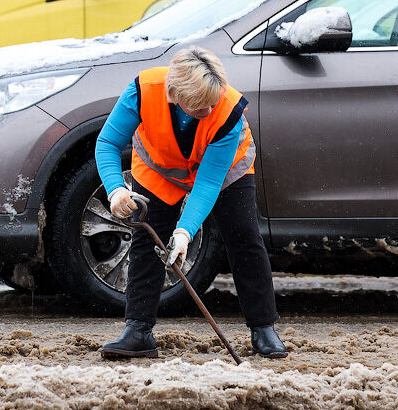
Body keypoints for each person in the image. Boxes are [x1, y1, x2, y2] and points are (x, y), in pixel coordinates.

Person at [94, 47, 288, 359]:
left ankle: (263, 329)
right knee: (146, 242)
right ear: (174, 95)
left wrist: (184, 233)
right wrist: (116, 190)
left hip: (226, 171)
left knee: (244, 238)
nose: (210, 109)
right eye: (200, 106)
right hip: (159, 167)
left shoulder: (228, 111)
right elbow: (107, 142)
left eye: (213, 101)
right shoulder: (143, 91)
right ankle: (138, 331)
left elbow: (208, 183)